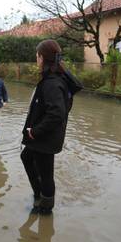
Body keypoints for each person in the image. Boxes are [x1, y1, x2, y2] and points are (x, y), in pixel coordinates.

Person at [21, 39, 73, 214]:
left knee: (46, 173)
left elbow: (57, 113)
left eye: (37, 56)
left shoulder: (52, 82)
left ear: (42, 58)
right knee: (26, 157)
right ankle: (38, 194)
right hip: (47, 136)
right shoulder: (56, 78)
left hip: (45, 138)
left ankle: (45, 208)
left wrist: (35, 131)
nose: (36, 59)